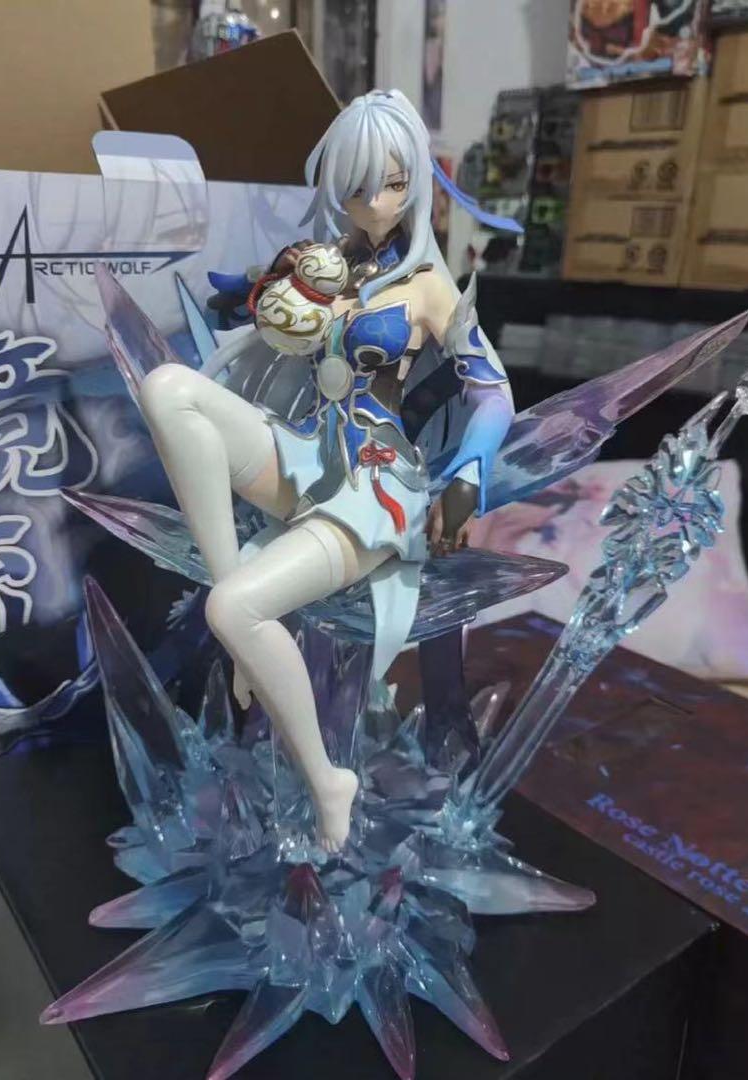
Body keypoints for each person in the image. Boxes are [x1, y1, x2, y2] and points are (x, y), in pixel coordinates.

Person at [137, 90, 516, 851]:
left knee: (232, 610)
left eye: (392, 184)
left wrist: (469, 475)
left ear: (416, 183)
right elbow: (271, 323)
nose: (374, 203)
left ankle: (325, 779)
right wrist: (252, 298)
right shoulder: (327, 265)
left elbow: (494, 390)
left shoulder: (427, 287)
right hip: (305, 454)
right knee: (168, 388)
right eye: (356, 187)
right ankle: (242, 623)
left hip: (373, 487)